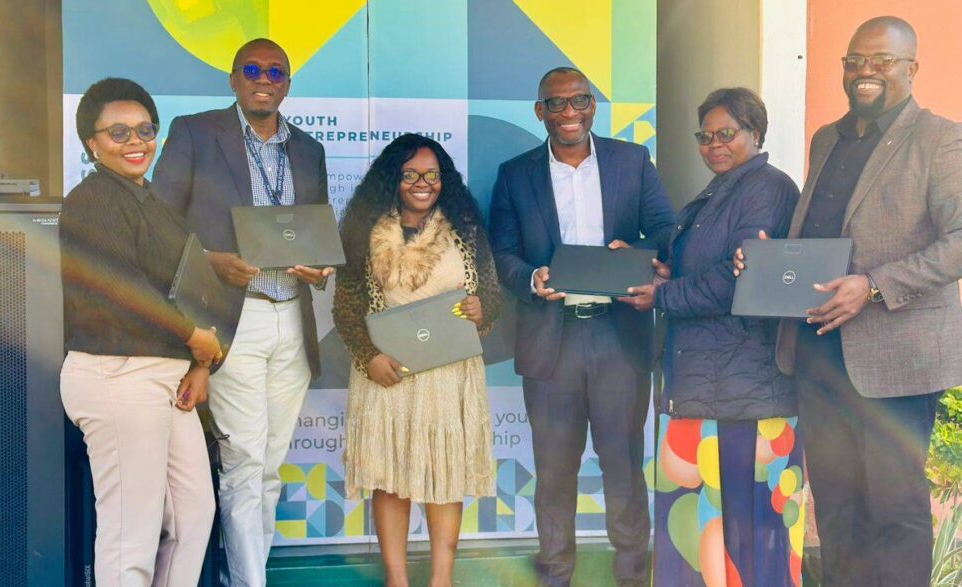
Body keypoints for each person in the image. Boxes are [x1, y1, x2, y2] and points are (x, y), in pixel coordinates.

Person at [735, 16, 962, 587]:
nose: (865, 72)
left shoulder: (941, 139)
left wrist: (877, 284)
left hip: (896, 361)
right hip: (818, 352)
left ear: (911, 68)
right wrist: (768, 257)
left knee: (893, 510)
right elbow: (823, 232)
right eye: (854, 61)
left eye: (881, 61)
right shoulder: (827, 138)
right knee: (835, 509)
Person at [152, 38, 333, 585]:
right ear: (233, 79)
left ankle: (242, 576)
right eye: (252, 69)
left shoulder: (309, 149)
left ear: (287, 84)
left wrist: (321, 268)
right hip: (233, 318)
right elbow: (157, 223)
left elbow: (316, 234)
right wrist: (210, 261)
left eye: (276, 71)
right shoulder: (195, 132)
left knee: (270, 466)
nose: (264, 78)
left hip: (292, 318)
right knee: (244, 463)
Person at [488, 67, 676, 587]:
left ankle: (634, 577)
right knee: (553, 471)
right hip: (551, 337)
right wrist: (531, 278)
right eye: (557, 103)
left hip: (619, 336)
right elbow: (500, 253)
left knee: (622, 465)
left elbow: (666, 228)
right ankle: (555, 575)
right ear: (539, 111)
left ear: (593, 105)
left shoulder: (631, 161)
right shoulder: (515, 173)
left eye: (580, 101)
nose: (570, 112)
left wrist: (638, 253)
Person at [619, 88, 802, 586]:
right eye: (706, 136)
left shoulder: (766, 188)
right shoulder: (722, 189)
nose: (714, 145)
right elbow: (708, 266)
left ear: (756, 134)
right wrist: (664, 271)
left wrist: (661, 295)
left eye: (727, 134)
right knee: (702, 535)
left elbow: (737, 280)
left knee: (745, 533)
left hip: (744, 395)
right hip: (704, 387)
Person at [60, 77, 226, 586]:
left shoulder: (150, 200)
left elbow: (188, 284)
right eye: (118, 133)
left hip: (165, 375)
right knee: (131, 531)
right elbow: (122, 287)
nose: (136, 142)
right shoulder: (92, 200)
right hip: (117, 374)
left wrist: (198, 365)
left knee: (194, 512)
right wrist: (195, 338)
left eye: (145, 130)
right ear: (92, 143)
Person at [332, 134, 501, 587]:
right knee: (391, 477)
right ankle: (397, 579)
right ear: (393, 179)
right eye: (410, 174)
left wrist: (483, 307)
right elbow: (346, 307)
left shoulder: (465, 231)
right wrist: (369, 358)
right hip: (387, 372)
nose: (423, 183)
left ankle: (441, 579)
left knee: (444, 474)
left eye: (432, 174)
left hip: (448, 372)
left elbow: (491, 294)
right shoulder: (362, 233)